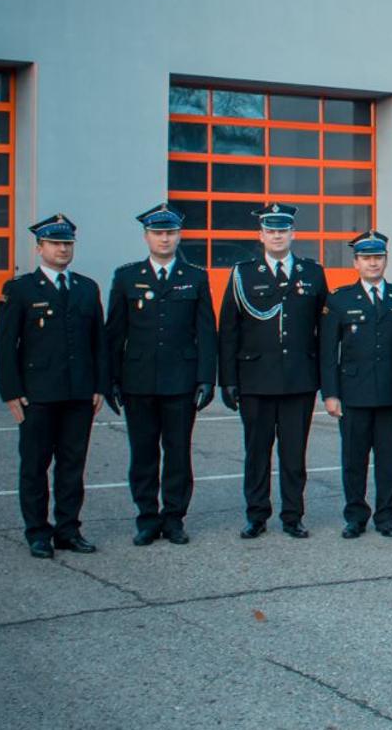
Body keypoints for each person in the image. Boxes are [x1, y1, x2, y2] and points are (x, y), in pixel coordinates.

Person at [0, 213, 104, 558]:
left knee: (72, 465)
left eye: (67, 243)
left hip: (78, 393)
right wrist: (11, 392)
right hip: (37, 394)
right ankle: (38, 532)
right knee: (35, 465)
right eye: (55, 243)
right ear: (39, 247)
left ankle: (68, 530)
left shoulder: (86, 288)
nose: (62, 249)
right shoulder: (20, 289)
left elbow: (98, 342)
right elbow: (5, 345)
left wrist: (99, 385)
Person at [105, 203, 214, 547]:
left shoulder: (195, 276)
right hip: (138, 381)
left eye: (170, 233)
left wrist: (206, 377)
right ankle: (147, 518)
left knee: (178, 453)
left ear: (179, 236)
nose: (164, 239)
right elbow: (114, 333)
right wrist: (111, 379)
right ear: (146, 237)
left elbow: (206, 331)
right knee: (143, 453)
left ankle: (174, 518)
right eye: (157, 233)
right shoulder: (127, 277)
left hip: (181, 380)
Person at [219, 202, 326, 540]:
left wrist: (325, 380)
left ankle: (293, 515)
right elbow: (229, 330)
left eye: (283, 230)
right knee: (257, 453)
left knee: (294, 455)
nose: (277, 235)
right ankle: (256, 515)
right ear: (261, 235)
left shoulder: (312, 273)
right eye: (271, 230)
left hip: (298, 379)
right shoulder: (243, 274)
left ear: (293, 233)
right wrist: (228, 380)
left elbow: (322, 331)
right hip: (255, 379)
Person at [320, 230, 392, 540]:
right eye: (367, 258)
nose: (373, 263)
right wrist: (330, 393)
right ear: (356, 262)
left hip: (390, 393)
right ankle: (355, 517)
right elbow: (328, 352)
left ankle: (386, 517)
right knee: (353, 460)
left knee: (388, 461)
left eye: (378, 257)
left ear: (386, 260)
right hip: (353, 393)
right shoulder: (340, 299)